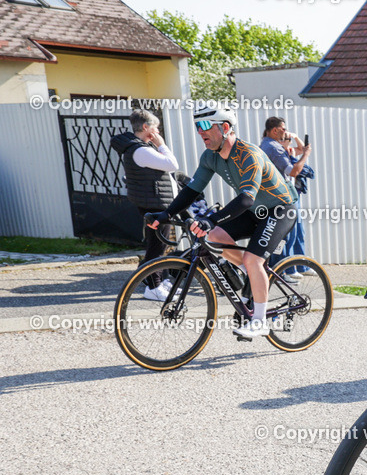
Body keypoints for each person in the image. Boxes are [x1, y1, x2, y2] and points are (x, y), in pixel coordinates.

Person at [148, 103, 298, 339]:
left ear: (225, 127)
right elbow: (191, 190)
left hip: (279, 210)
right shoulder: (210, 156)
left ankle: (259, 321)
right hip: (254, 211)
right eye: (197, 126)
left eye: (206, 125)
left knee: (252, 259)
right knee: (215, 236)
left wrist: (211, 219)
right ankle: (252, 277)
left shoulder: (249, 154)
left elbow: (246, 199)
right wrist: (165, 214)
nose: (200, 131)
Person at [111, 109, 180, 301]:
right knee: (156, 247)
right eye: (156, 128)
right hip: (155, 205)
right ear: (145, 127)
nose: (158, 132)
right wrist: (162, 145)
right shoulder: (141, 150)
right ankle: (153, 287)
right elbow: (172, 164)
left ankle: (159, 281)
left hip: (155, 202)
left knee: (161, 244)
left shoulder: (139, 147)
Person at [260, 117, 313, 283]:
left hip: (287, 195)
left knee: (297, 232)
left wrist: (298, 142)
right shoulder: (273, 148)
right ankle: (285, 269)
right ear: (275, 130)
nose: (286, 131)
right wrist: (305, 155)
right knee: (286, 235)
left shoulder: (273, 145)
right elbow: (293, 171)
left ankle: (297, 266)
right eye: (284, 129)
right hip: (280, 197)